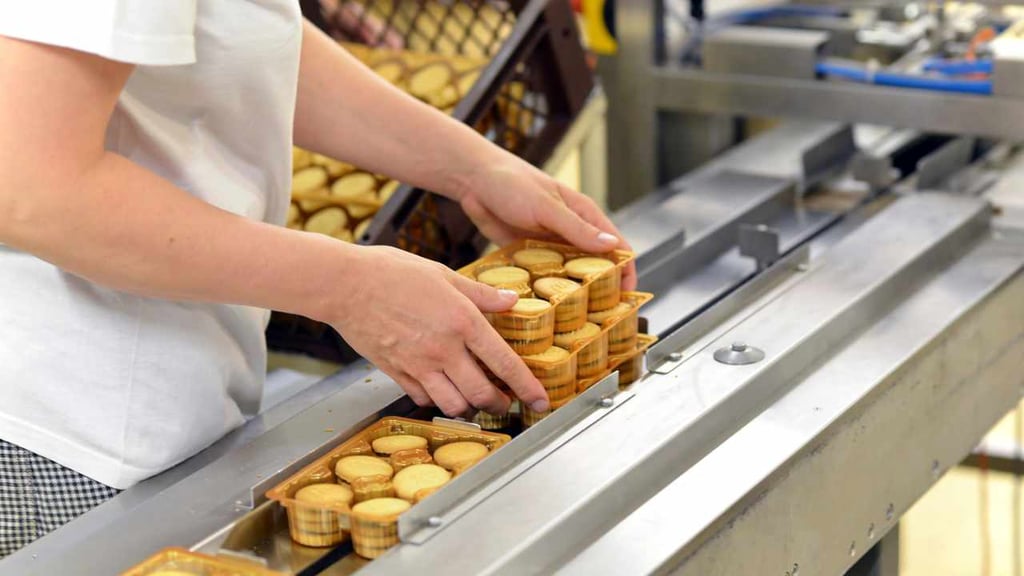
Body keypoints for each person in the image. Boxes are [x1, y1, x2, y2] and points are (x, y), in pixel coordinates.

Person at [0, 0, 634, 559]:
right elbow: (33, 190)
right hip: (60, 436)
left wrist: (473, 166)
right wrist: (347, 287)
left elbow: (243, 39)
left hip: (164, 395)